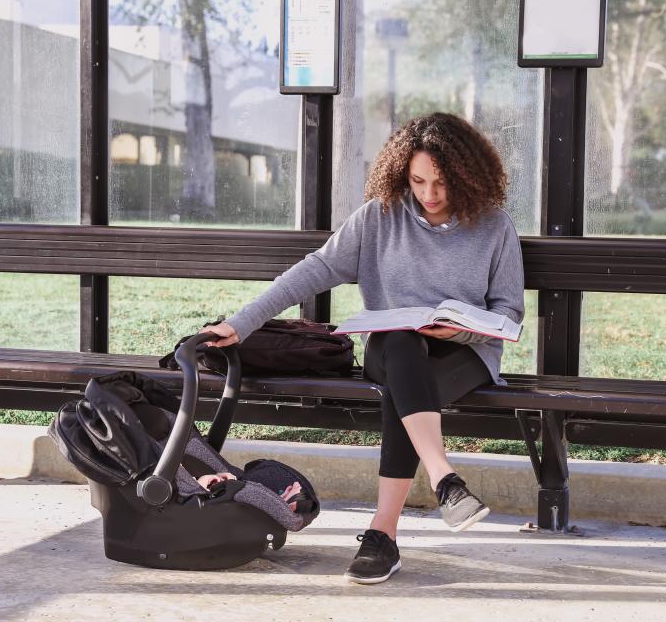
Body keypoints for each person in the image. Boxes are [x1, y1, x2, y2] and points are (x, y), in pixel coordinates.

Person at [200, 112, 524, 584]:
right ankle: (443, 480)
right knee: (400, 343)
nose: (430, 194)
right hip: (392, 348)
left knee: (404, 391)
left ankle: (384, 534)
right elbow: (313, 270)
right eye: (418, 180)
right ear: (402, 173)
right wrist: (243, 322)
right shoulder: (380, 216)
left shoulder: (494, 227)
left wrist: (459, 333)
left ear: (467, 176)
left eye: (442, 182)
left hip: (463, 355)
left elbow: (508, 313)